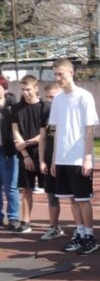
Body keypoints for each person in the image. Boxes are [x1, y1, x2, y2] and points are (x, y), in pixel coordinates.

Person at [49, 58, 100, 254]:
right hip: (62, 158)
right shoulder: (58, 99)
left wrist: (87, 158)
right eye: (55, 74)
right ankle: (79, 233)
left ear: (72, 73)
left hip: (78, 157)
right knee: (71, 199)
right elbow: (55, 130)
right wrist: (54, 159)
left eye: (60, 74)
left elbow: (89, 129)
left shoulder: (84, 96)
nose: (57, 78)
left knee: (83, 199)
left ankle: (89, 237)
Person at [11, 75, 48, 233]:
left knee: (51, 192)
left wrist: (27, 143)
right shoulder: (16, 108)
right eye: (23, 89)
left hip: (44, 154)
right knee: (26, 189)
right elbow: (15, 132)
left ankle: (54, 225)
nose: (25, 93)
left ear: (36, 88)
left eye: (28, 89)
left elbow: (45, 134)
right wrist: (25, 155)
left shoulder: (45, 107)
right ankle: (25, 222)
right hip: (25, 155)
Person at [38, 83, 64, 240]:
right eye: (47, 97)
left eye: (52, 97)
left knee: (74, 197)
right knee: (51, 195)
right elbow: (42, 138)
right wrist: (42, 160)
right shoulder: (45, 111)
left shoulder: (67, 110)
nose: (50, 100)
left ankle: (80, 229)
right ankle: (54, 227)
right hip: (49, 160)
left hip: (65, 160)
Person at [0, 76, 19, 230]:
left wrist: (2, 106)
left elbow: (14, 121)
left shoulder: (12, 104)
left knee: (10, 186)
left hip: (8, 150)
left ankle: (13, 217)